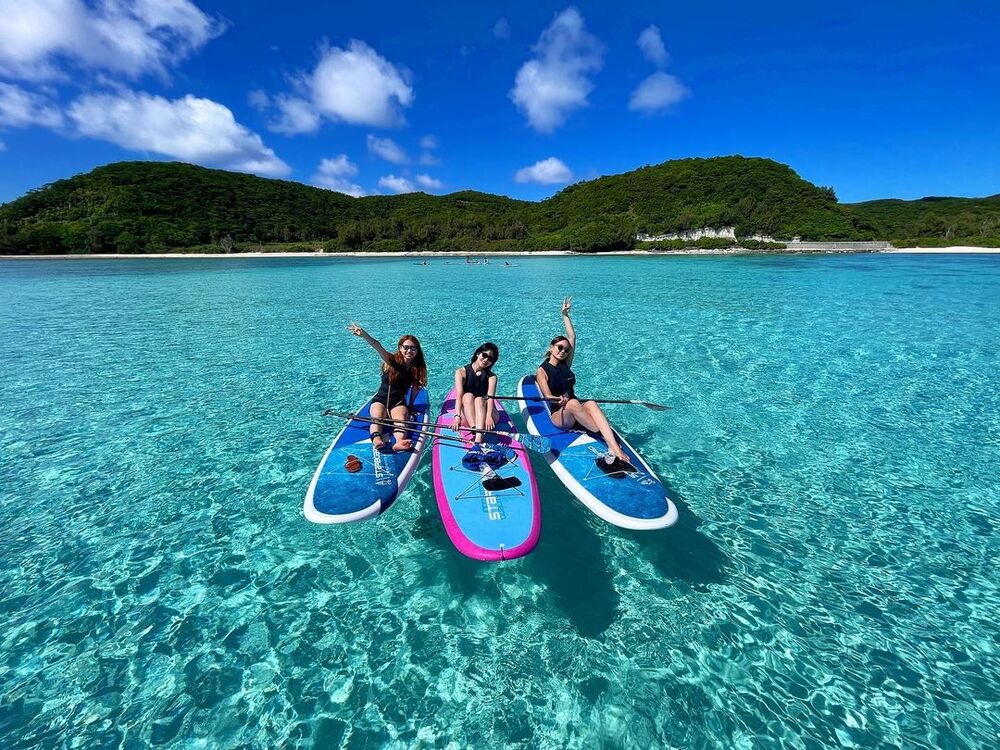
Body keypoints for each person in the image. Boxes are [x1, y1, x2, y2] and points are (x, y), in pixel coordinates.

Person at [535, 297, 633, 469]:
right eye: (559, 348)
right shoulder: (542, 371)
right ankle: (599, 431)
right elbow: (548, 396)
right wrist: (559, 399)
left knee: (591, 403)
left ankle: (613, 447)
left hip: (575, 409)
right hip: (560, 415)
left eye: (566, 350)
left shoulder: (566, 364)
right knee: (574, 403)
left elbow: (572, 337)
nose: (563, 351)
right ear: (551, 348)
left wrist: (565, 315)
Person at [347, 322, 427, 451]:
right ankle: (377, 440)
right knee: (377, 418)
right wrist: (365, 335)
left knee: (401, 419)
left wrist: (410, 407)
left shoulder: (416, 369)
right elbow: (378, 347)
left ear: (417, 350)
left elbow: (415, 389)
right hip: (381, 399)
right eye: (406, 347)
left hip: (398, 402)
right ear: (400, 348)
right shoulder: (391, 360)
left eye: (413, 348)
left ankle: (399, 442)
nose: (409, 351)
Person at [451, 342, 500, 458]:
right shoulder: (461, 372)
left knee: (479, 399)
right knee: (467, 396)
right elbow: (459, 396)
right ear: (478, 353)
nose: (486, 360)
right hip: (469, 418)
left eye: (490, 359)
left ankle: (478, 441)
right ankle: (476, 430)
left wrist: (489, 416)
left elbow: (490, 399)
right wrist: (457, 416)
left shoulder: (492, 377)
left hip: (488, 416)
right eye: (485, 355)